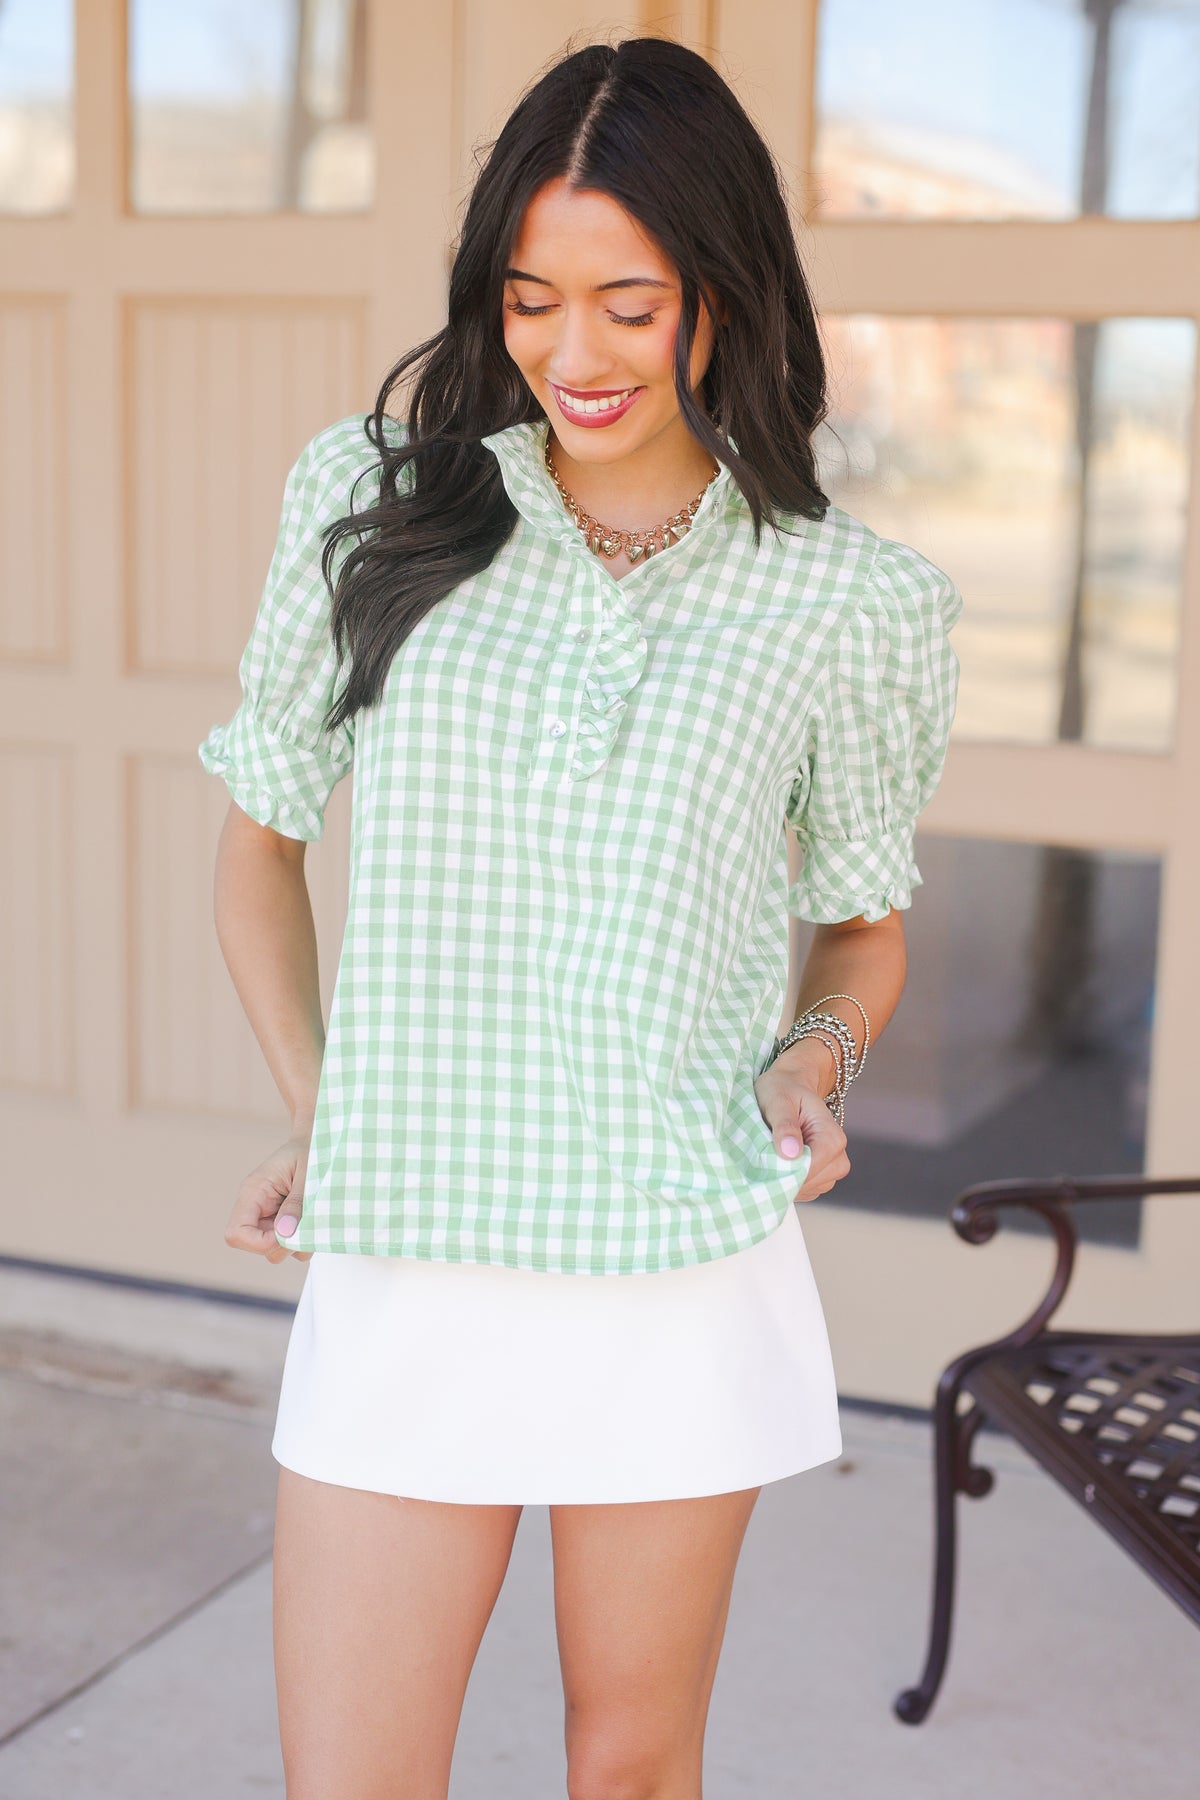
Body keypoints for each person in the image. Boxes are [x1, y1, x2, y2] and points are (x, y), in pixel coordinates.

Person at [198, 33, 962, 1800]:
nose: (571, 353)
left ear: (726, 292)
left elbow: (864, 928)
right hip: (414, 1251)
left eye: (630, 303)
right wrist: (329, 1105)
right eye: (531, 299)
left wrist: (813, 1058)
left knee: (630, 1769)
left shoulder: (843, 603)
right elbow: (257, 845)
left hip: (679, 1254)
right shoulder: (378, 499)